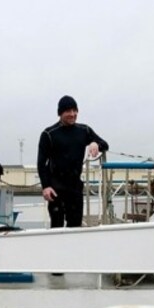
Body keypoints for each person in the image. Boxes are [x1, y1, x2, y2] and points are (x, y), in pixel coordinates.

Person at [37, 95, 109, 228]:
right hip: (56, 188)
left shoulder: (84, 130)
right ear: (60, 113)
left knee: (75, 226)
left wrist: (95, 143)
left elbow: (105, 144)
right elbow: (41, 164)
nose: (72, 114)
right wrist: (45, 186)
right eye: (68, 111)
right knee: (56, 226)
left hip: (75, 187)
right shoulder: (48, 134)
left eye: (75, 110)